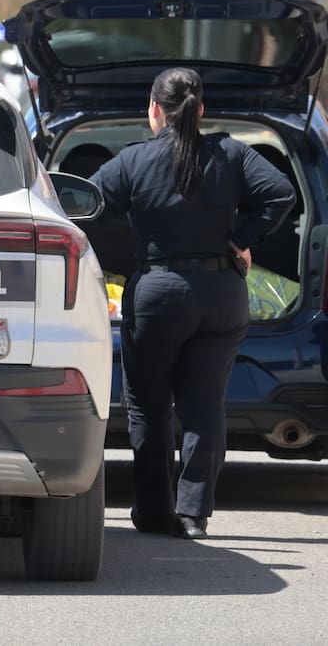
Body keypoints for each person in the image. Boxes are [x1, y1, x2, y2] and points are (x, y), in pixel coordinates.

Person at [88, 68, 296, 540]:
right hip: (222, 295)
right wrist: (238, 239)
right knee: (205, 405)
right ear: (200, 110)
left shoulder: (132, 161)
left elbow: (83, 205)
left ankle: (155, 513)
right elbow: (281, 193)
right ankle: (194, 513)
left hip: (159, 294)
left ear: (154, 110)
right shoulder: (232, 154)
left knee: (148, 407)